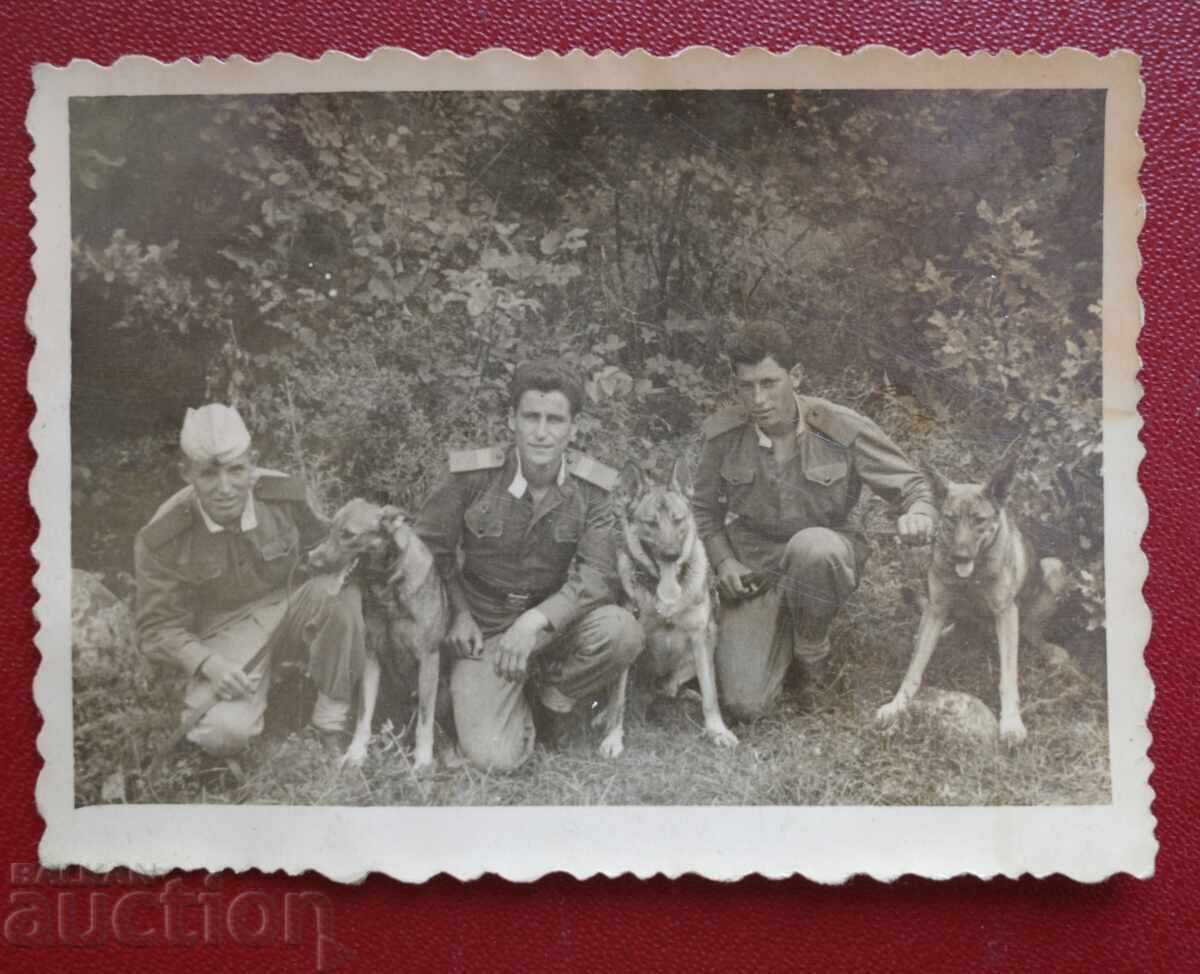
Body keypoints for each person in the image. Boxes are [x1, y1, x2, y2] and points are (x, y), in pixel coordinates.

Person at [693, 321, 935, 722]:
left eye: (769, 383)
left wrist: (920, 513)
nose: (759, 399)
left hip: (823, 551)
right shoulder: (723, 435)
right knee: (744, 704)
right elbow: (703, 510)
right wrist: (724, 561)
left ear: (796, 376)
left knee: (814, 548)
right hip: (753, 562)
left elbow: (913, 485)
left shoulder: (840, 427)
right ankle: (778, 630)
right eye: (746, 386)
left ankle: (812, 661)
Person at [416, 360, 643, 771]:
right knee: (496, 759)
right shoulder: (474, 476)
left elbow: (596, 575)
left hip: (553, 624)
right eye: (530, 417)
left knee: (621, 630)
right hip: (484, 627)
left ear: (573, 428)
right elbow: (431, 550)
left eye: (555, 420)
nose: (541, 432)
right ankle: (508, 697)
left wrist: (534, 621)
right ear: (512, 420)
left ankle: (550, 701)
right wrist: (459, 614)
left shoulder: (592, 488)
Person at [134, 403, 366, 757]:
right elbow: (156, 628)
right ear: (186, 473)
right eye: (208, 474)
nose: (225, 488)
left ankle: (329, 723)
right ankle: (266, 703)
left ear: (252, 464)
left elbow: (325, 547)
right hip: (225, 632)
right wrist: (208, 664)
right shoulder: (163, 536)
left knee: (341, 597)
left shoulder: (285, 495)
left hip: (292, 603)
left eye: (236, 470)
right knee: (220, 734)